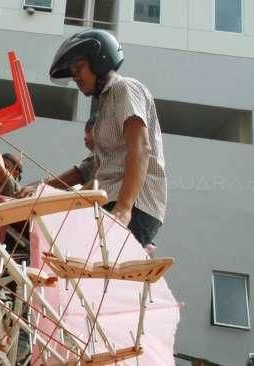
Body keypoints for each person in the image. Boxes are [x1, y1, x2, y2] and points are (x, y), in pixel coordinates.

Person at [47, 29, 167, 248]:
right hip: (108, 200)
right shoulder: (104, 104)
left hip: (133, 205)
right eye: (72, 71)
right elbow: (96, 166)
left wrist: (124, 208)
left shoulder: (124, 88)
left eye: (79, 67)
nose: (75, 76)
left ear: (100, 60)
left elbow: (140, 146)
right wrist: (46, 191)